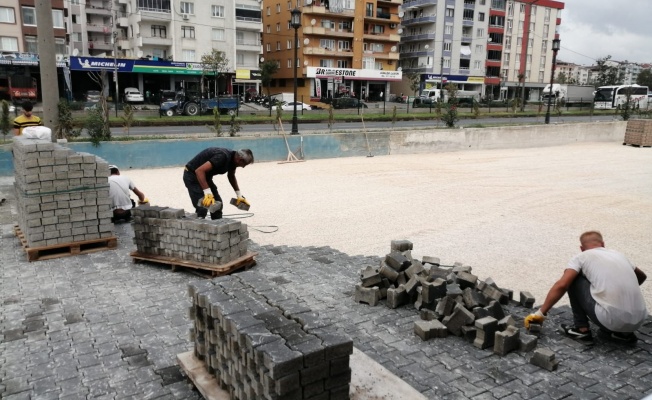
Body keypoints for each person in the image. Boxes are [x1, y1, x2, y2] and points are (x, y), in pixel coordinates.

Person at [524, 231, 647, 344]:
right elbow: (642, 277)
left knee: (573, 279)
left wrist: (540, 313)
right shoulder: (619, 255)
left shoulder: (581, 257)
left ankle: (581, 330)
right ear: (602, 244)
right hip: (639, 320)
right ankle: (623, 334)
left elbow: (562, 285)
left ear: (582, 248)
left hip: (610, 320)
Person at [183, 148, 254, 219]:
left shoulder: (233, 160)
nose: (243, 167)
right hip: (191, 175)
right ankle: (198, 226)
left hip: (206, 177)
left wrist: (239, 195)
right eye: (244, 164)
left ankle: (217, 225)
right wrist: (207, 193)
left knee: (217, 204)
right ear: (240, 159)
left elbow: (231, 176)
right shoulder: (222, 156)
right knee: (202, 206)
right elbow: (199, 171)